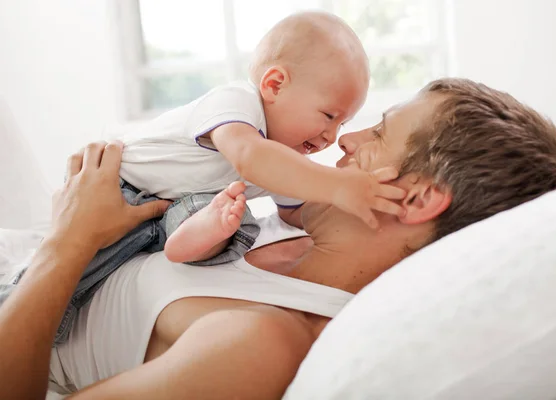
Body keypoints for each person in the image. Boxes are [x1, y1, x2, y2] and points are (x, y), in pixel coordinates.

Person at [0, 78, 556, 399]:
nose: (347, 139)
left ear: (418, 199)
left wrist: (69, 243)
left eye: (380, 133)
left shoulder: (262, 341)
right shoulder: (269, 229)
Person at [1, 11, 407, 346]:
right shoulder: (236, 106)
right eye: (329, 116)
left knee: (232, 217)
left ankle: (190, 241)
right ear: (275, 84)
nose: (331, 138)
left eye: (344, 123)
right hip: (125, 189)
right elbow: (249, 158)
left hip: (175, 210)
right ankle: (14, 303)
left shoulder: (283, 161)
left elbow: (298, 214)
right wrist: (339, 185)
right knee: (76, 280)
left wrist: (363, 208)